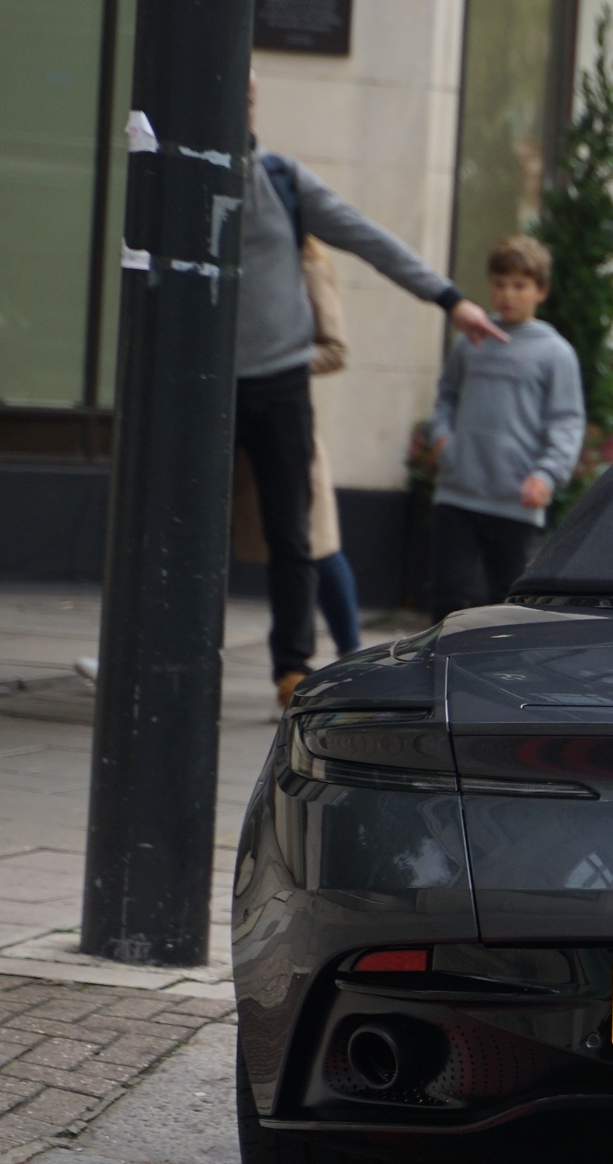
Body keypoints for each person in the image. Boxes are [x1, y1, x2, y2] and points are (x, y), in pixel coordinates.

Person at [241, 76, 502, 707]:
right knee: (173, 521)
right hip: (196, 383)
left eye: (250, 93)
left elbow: (368, 237)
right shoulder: (179, 174)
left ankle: (292, 668)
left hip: (278, 382)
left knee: (292, 532)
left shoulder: (282, 180)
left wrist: (449, 299)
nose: (243, 100)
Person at [425, 236, 586, 624]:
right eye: (499, 284)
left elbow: (567, 421)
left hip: (514, 500)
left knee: (507, 602)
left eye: (519, 285)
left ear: (540, 291)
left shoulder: (555, 353)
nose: (507, 294)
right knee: (447, 594)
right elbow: (445, 397)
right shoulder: (472, 340)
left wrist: (546, 475)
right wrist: (442, 440)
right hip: (459, 493)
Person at [235, 238, 361, 659]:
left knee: (313, 544)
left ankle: (348, 656)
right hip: (222, 423)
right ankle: (140, 648)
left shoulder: (307, 261)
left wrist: (275, 361)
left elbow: (334, 348)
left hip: (283, 422)